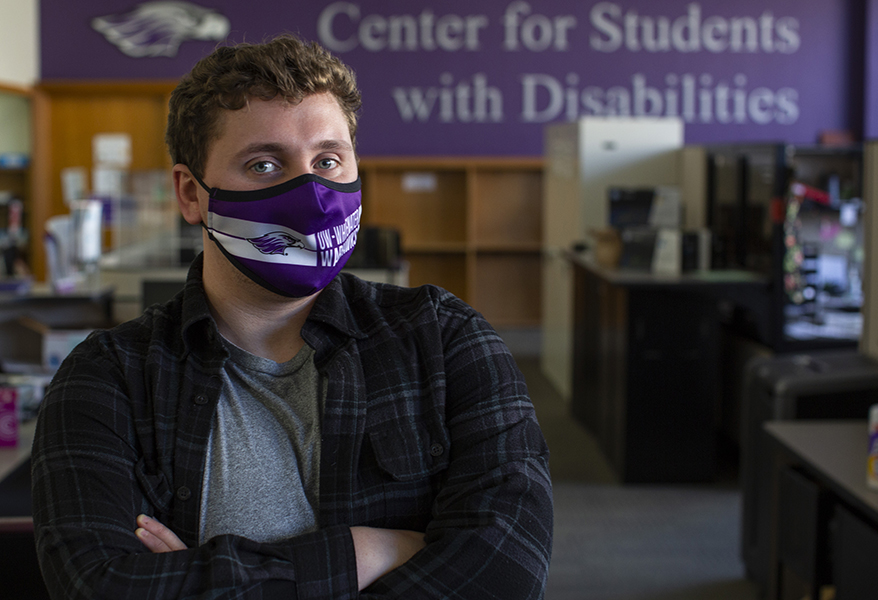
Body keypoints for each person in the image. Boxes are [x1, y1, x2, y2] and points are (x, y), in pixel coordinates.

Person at [31, 35, 553, 599]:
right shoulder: (108, 380)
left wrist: (207, 580)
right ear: (190, 193)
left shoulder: (445, 339)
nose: (310, 191)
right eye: (264, 164)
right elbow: (97, 586)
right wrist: (371, 551)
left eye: (328, 160)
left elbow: (508, 568)